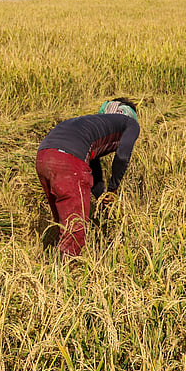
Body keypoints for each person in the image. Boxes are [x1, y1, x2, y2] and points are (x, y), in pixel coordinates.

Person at [35, 98, 140, 257]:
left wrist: (101, 196)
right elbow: (123, 156)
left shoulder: (90, 125)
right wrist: (113, 189)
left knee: (63, 223)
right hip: (68, 161)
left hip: (43, 158)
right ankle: (67, 270)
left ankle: (54, 265)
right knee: (75, 228)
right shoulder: (130, 123)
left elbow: (93, 165)